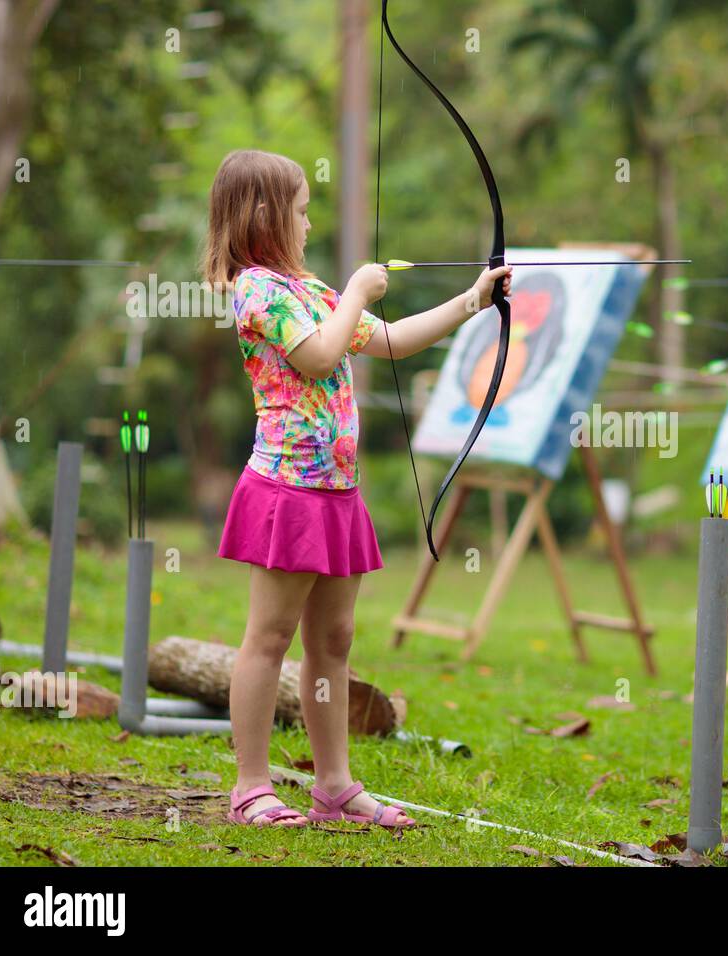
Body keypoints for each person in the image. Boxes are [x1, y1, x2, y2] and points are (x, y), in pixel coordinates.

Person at [202, 149, 510, 827]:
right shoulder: (258, 290)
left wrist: (474, 300)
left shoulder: (312, 291)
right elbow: (317, 355)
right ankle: (251, 786)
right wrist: (359, 291)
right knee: (270, 636)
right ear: (265, 214)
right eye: (302, 209)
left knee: (333, 640)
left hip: (338, 493)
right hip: (287, 490)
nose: (309, 223)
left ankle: (333, 786)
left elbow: (393, 340)